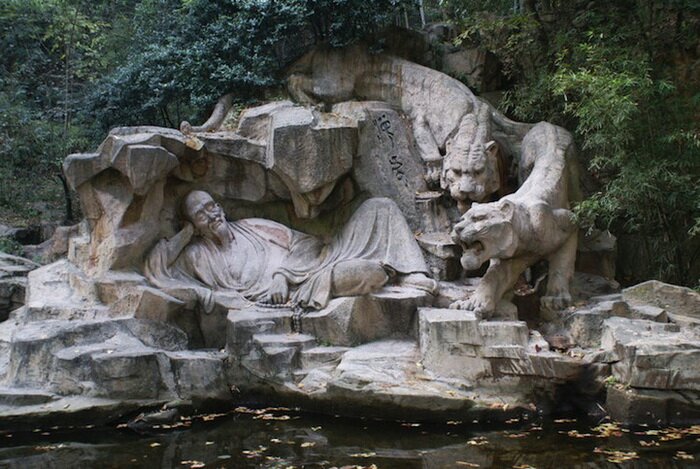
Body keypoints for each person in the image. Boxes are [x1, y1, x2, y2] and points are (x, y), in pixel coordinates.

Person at [146, 191, 436, 312]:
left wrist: (282, 275)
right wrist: (186, 233)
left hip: (319, 263)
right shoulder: (197, 255)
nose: (212, 215)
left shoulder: (253, 227)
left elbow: (307, 243)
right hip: (307, 289)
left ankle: (413, 273)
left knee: (380, 206)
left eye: (212, 206)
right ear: (194, 225)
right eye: (201, 214)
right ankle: (386, 272)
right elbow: (157, 269)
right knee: (369, 273)